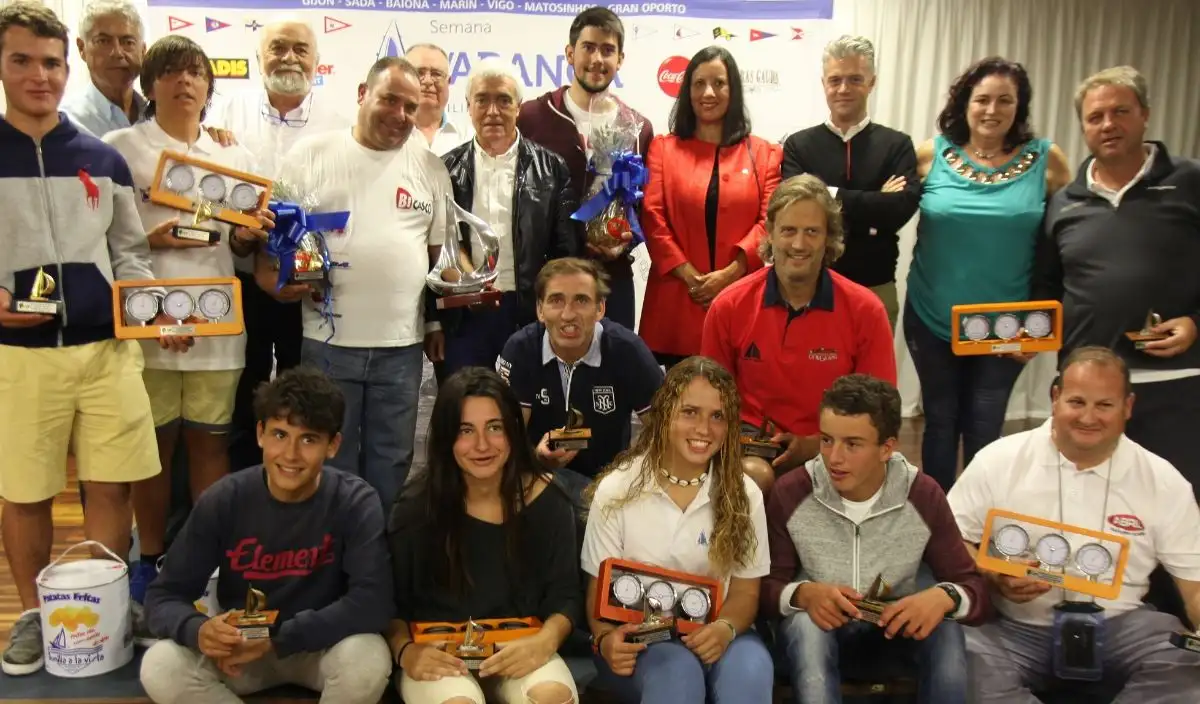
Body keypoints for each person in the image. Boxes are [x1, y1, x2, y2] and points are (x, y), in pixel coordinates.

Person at [0, 2, 162, 676]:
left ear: (68, 69)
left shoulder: (101, 158)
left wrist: (151, 306)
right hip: (19, 358)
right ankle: (37, 615)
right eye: (22, 61)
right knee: (25, 492)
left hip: (107, 352)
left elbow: (130, 255)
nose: (40, 75)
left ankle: (104, 609)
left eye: (51, 63)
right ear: (3, 66)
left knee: (111, 488)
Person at [103, 34, 273, 625]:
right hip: (147, 327)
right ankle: (149, 557)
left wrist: (251, 236)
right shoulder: (119, 148)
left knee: (209, 445)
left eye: (196, 72)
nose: (185, 81)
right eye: (171, 72)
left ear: (208, 86)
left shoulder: (235, 155)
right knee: (152, 452)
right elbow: (102, 239)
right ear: (150, 85)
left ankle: (206, 563)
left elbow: (246, 248)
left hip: (218, 328)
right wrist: (156, 237)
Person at [947, 346, 1200, 702]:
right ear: (1055, 398)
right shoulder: (997, 460)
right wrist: (991, 574)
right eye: (1077, 402)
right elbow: (950, 540)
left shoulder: (1163, 480)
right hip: (1013, 626)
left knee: (1187, 664)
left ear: (1127, 406)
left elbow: (1195, 586)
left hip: (1122, 626)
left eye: (1105, 405)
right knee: (957, 659)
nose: (1088, 418)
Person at [257, 56, 450, 506]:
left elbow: (438, 260)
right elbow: (274, 238)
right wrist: (273, 279)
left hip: (400, 348)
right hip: (327, 342)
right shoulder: (310, 154)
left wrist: (434, 324)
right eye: (389, 100)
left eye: (410, 106)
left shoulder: (430, 167)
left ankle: (375, 556)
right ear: (363, 95)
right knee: (327, 458)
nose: (399, 115)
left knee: (393, 459)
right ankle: (332, 555)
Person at [139, 366, 394, 704]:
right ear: (260, 433)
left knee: (369, 659)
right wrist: (197, 629)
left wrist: (280, 637)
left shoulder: (355, 501)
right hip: (239, 652)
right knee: (160, 666)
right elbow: (162, 597)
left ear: (332, 446)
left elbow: (373, 603)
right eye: (279, 435)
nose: (290, 455)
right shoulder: (225, 498)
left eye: (308, 439)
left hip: (319, 646)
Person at [762, 374, 990, 704]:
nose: (834, 458)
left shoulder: (922, 494)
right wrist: (803, 594)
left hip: (894, 636)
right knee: (805, 629)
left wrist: (945, 597)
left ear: (887, 448)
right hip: (816, 640)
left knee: (948, 631)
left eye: (852, 444)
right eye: (826, 440)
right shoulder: (792, 491)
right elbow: (764, 588)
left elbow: (976, 589)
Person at [904, 57, 1072, 492]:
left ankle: (979, 521)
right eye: (981, 99)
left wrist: (1039, 322)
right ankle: (938, 522)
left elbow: (1061, 246)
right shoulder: (930, 154)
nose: (991, 110)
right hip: (931, 313)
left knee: (985, 422)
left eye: (1004, 100)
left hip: (1006, 324)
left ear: (1020, 106)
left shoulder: (1046, 160)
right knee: (940, 421)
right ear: (964, 104)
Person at [1035, 66, 1200, 497]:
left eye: (1120, 111)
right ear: (1084, 127)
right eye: (1095, 117)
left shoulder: (1191, 183)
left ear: (1144, 114)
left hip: (1174, 384)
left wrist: (1196, 323)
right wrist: (1026, 336)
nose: (1108, 124)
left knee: (1176, 509)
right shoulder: (1063, 202)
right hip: (1086, 392)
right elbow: (1048, 289)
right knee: (1088, 510)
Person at [582, 357, 774, 703]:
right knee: (677, 671)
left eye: (717, 416)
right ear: (664, 414)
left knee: (752, 669)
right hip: (641, 638)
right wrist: (605, 638)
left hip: (721, 630)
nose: (704, 428)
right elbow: (599, 595)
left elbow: (746, 593)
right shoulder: (617, 489)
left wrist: (725, 628)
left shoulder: (745, 494)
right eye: (690, 412)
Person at [209, 18, 353, 474]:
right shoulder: (220, 120)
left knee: (303, 393)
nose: (289, 57)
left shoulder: (341, 126)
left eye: (300, 49)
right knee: (242, 389)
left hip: (305, 289)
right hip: (241, 280)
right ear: (258, 57)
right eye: (277, 48)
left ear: (316, 61)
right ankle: (244, 484)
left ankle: (298, 481)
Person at [386, 367, 581, 704]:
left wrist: (545, 642)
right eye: (465, 430)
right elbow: (390, 602)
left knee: (552, 697)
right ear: (447, 438)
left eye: (495, 428)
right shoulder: (415, 507)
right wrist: (405, 652)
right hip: (440, 653)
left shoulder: (549, 500)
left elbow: (566, 595)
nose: (482, 445)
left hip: (522, 645)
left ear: (513, 432)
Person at [701, 175, 895, 491]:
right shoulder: (729, 306)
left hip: (838, 448)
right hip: (753, 448)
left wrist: (815, 445)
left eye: (812, 232)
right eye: (789, 230)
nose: (799, 244)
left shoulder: (866, 310)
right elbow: (710, 402)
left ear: (829, 238)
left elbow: (880, 413)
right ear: (771, 234)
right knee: (754, 479)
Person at [430, 57, 582, 377]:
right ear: (469, 106)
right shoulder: (443, 169)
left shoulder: (552, 169)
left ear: (519, 107)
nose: (493, 111)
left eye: (504, 100)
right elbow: (435, 248)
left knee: (526, 414)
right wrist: (432, 322)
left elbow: (565, 252)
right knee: (464, 410)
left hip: (529, 313)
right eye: (482, 100)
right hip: (464, 317)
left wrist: (555, 310)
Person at [640, 45, 781, 368]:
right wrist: (691, 277)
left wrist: (731, 275)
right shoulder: (664, 148)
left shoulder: (764, 154)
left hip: (742, 296)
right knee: (677, 406)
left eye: (719, 83)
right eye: (699, 83)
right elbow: (652, 215)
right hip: (676, 300)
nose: (708, 92)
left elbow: (769, 221)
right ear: (687, 91)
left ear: (733, 90)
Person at [517, 6, 653, 330]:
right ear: (569, 53)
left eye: (607, 51)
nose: (597, 59)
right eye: (588, 47)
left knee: (614, 375)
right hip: (547, 279)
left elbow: (645, 203)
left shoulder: (638, 128)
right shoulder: (531, 116)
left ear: (620, 59)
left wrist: (626, 239)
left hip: (612, 278)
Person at [781, 35, 920, 329]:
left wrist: (826, 193)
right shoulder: (798, 145)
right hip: (809, 288)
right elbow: (797, 209)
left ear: (872, 82)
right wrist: (874, 200)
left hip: (876, 287)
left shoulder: (897, 145)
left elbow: (898, 210)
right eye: (835, 80)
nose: (843, 89)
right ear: (824, 84)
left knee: (872, 376)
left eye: (855, 79)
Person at [496, 258, 662, 499]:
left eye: (581, 300)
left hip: (609, 486)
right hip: (535, 477)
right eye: (556, 300)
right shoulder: (519, 349)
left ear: (600, 308)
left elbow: (665, 431)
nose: (568, 314)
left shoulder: (628, 350)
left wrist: (630, 473)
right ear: (540, 310)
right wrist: (535, 456)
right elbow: (503, 437)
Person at [60, 0, 145, 137]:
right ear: (82, 48)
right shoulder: (67, 122)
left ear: (143, 51)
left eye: (128, 42)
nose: (117, 52)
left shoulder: (159, 116)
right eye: (103, 41)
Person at [406, 42, 471, 156]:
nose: (427, 81)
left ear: (448, 82)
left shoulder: (468, 138)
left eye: (436, 74)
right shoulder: (386, 135)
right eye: (419, 73)